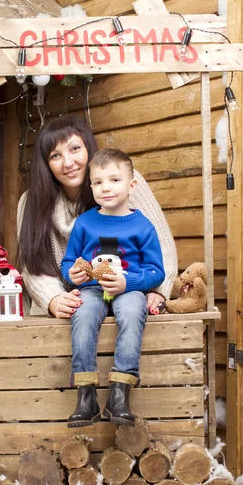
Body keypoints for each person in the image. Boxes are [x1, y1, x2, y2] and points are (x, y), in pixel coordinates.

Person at [17, 115, 177, 321]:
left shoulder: (123, 182)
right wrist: (54, 299)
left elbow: (162, 248)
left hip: (129, 303)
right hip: (67, 313)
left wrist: (157, 291)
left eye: (75, 149)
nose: (68, 162)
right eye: (55, 156)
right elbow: (33, 264)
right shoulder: (30, 201)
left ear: (89, 148)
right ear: (46, 164)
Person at [61, 149, 165, 427]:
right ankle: (86, 396)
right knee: (82, 315)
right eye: (98, 182)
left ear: (132, 186)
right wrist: (73, 274)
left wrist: (128, 283)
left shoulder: (143, 226)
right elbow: (69, 261)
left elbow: (156, 271)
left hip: (128, 289)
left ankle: (120, 393)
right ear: (91, 186)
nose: (106, 187)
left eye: (114, 180)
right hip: (92, 288)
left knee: (133, 312)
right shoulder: (85, 223)